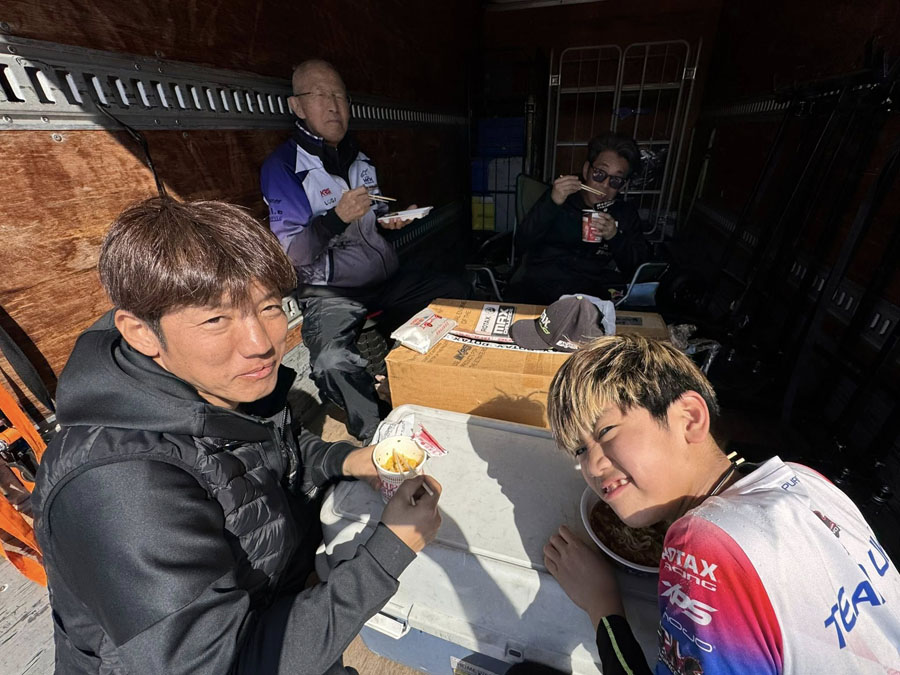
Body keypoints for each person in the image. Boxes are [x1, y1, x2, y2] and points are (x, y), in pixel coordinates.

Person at [33, 197, 443, 675]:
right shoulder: (119, 487)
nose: (261, 344)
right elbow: (225, 665)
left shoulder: (209, 381)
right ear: (141, 332)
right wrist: (390, 550)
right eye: (216, 319)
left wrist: (347, 460)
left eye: (269, 307)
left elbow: (269, 452)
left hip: (279, 606)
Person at [542, 335, 900, 674]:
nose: (592, 466)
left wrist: (602, 604)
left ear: (689, 419)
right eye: (580, 449)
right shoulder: (805, 478)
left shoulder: (704, 548)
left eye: (606, 432)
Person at [260, 59, 466, 443]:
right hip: (331, 293)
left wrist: (391, 220)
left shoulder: (360, 158)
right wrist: (336, 218)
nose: (333, 106)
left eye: (340, 96)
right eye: (321, 95)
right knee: (331, 361)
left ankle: (431, 392)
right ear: (297, 106)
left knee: (456, 292)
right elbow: (292, 255)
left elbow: (373, 218)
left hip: (383, 279)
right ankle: (378, 435)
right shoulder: (284, 167)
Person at [507, 132, 650, 305]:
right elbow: (521, 243)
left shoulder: (623, 213)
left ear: (623, 185)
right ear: (586, 170)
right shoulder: (561, 197)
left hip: (589, 294)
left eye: (616, 180)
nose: (605, 185)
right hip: (541, 286)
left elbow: (638, 270)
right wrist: (551, 203)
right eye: (599, 174)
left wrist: (614, 237)